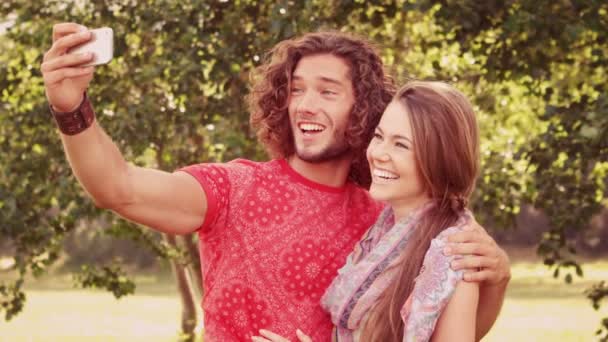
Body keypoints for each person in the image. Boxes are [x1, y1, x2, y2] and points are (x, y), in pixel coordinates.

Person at [41, 24, 510, 341]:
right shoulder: (233, 187)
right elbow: (118, 187)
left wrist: (496, 282)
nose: (305, 104)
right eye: (297, 88)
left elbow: (435, 326)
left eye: (327, 91)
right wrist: (70, 108)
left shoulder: (386, 220)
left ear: (363, 108)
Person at [253, 81, 485, 342]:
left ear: (440, 159)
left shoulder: (453, 256)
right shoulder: (379, 237)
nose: (378, 154)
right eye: (379, 137)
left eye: (401, 145)